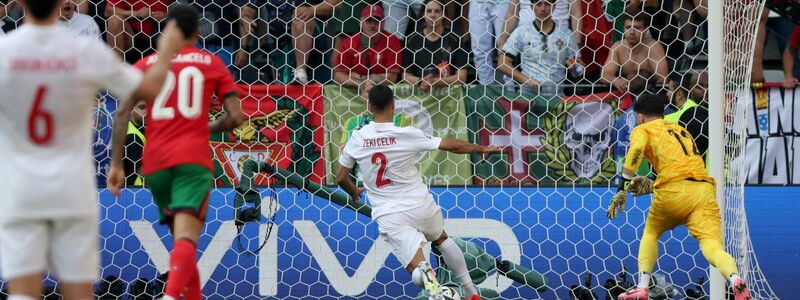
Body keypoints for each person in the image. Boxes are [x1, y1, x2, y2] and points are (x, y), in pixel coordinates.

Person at [0, 0, 183, 299]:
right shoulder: (83, 50)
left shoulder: (5, 50)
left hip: (22, 179)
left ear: (20, 4)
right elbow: (146, 89)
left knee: (24, 277)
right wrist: (168, 50)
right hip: (72, 181)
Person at [107, 5, 244, 300]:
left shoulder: (146, 65)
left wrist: (116, 164)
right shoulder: (211, 62)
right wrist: (204, 128)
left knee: (181, 241)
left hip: (154, 163)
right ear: (197, 33)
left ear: (166, 30)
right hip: (191, 161)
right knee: (186, 238)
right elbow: (236, 117)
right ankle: (170, 296)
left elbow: (122, 113)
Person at [335, 85, 499, 300]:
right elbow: (450, 145)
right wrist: (480, 148)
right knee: (441, 238)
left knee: (416, 267)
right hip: (420, 204)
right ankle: (471, 292)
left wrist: (354, 192)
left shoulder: (358, 137)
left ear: (370, 107)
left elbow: (340, 177)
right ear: (393, 105)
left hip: (389, 213)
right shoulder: (407, 134)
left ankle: (435, 290)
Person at [606, 93, 751, 300]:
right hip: (703, 190)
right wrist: (654, 184)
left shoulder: (643, 129)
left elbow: (636, 150)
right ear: (662, 113)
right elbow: (682, 167)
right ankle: (735, 278)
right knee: (712, 246)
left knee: (651, 233)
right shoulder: (681, 130)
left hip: (673, 193)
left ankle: (642, 287)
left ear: (639, 116)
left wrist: (622, 186)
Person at [497, 0, 578, 96]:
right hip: (527, 97)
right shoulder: (521, 32)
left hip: (557, 98)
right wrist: (527, 80)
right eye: (539, 4)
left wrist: (577, 68)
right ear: (532, 7)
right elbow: (502, 64)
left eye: (547, 4)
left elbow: (574, 69)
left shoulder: (566, 34)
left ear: (554, 6)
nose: (543, 8)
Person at [333, 5, 402, 97]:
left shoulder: (392, 41)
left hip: (383, 94)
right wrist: (363, 83)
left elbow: (392, 78)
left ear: (383, 24)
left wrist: (358, 77)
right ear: (360, 23)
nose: (372, 25)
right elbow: (338, 77)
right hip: (355, 93)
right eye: (368, 21)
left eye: (377, 21)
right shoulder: (350, 42)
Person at [402, 0, 468, 92]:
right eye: (429, 11)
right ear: (423, 15)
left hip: (448, 96)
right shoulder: (412, 40)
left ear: (444, 14)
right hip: (420, 95)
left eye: (437, 11)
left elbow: (461, 77)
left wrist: (437, 82)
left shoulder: (454, 39)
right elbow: (405, 76)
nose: (433, 15)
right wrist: (420, 82)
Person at [601, 11, 668, 92]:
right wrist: (615, 81)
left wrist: (643, 86)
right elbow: (604, 75)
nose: (632, 32)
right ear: (623, 29)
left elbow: (662, 78)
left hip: (649, 93)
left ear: (645, 29)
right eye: (628, 27)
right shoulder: (618, 47)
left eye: (637, 28)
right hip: (625, 93)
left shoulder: (653, 47)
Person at [105, 0, 174, 63]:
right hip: (133, 35)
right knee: (115, 20)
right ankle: (117, 68)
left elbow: (180, 7)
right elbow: (108, 11)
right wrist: (136, 13)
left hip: (161, 33)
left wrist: (167, 16)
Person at [124, 101, 147, 186]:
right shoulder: (131, 136)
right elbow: (143, 171)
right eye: (142, 107)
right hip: (138, 191)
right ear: (131, 109)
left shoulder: (143, 129)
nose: (147, 111)